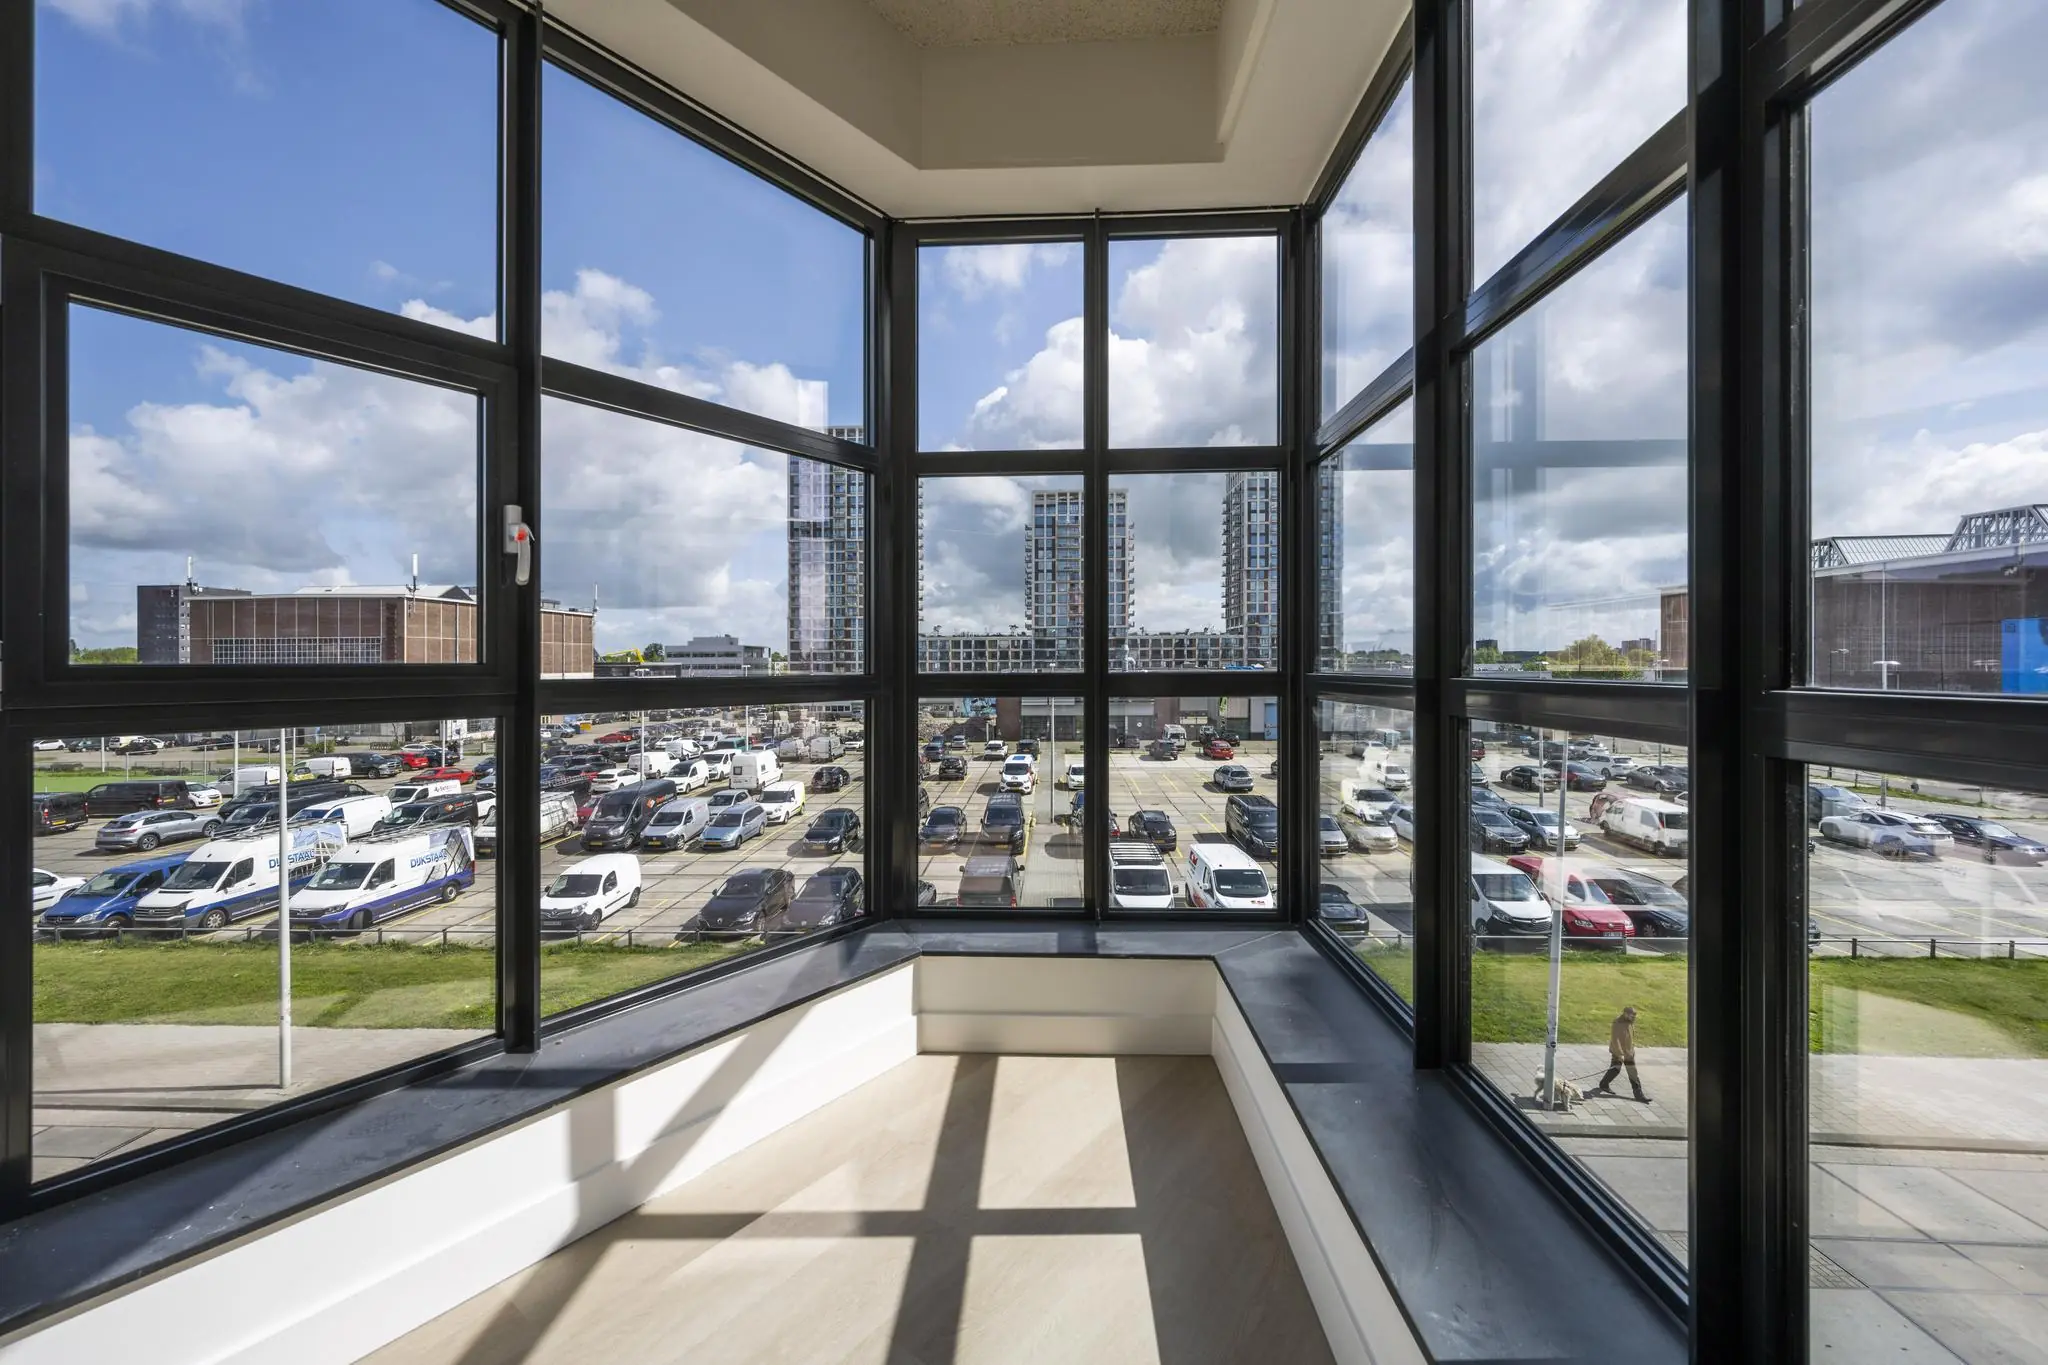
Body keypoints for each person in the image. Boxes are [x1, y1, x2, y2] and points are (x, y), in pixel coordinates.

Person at [1592, 1005, 1651, 1102]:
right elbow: (1616, 1040)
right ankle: (1639, 1095)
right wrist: (1620, 1054)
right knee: (1623, 1071)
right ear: (1625, 1014)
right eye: (1632, 1016)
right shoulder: (1618, 1023)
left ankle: (1604, 1084)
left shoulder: (1629, 1022)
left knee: (1623, 1071)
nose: (1634, 1018)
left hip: (1628, 1053)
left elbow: (1629, 1037)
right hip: (1620, 1053)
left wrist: (1631, 1049)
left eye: (1634, 1016)